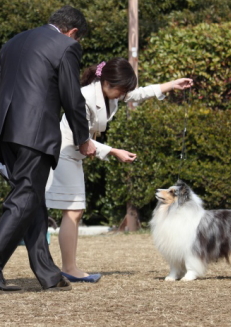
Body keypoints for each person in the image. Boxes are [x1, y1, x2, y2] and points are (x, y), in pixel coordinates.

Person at [0, 6, 97, 294]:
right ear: (73, 32)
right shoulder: (66, 46)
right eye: (79, 39)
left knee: (32, 200)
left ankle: (48, 273)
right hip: (35, 132)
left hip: (6, 131)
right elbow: (71, 96)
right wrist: (83, 138)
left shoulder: (14, 41)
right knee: (25, 197)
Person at [45, 58, 194, 283]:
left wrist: (171, 84)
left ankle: (69, 266)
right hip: (65, 151)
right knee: (72, 211)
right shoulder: (84, 97)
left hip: (74, 154)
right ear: (106, 82)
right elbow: (81, 138)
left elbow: (140, 93)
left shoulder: (109, 92)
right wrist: (114, 151)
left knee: (74, 211)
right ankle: (69, 267)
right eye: (121, 90)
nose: (123, 95)